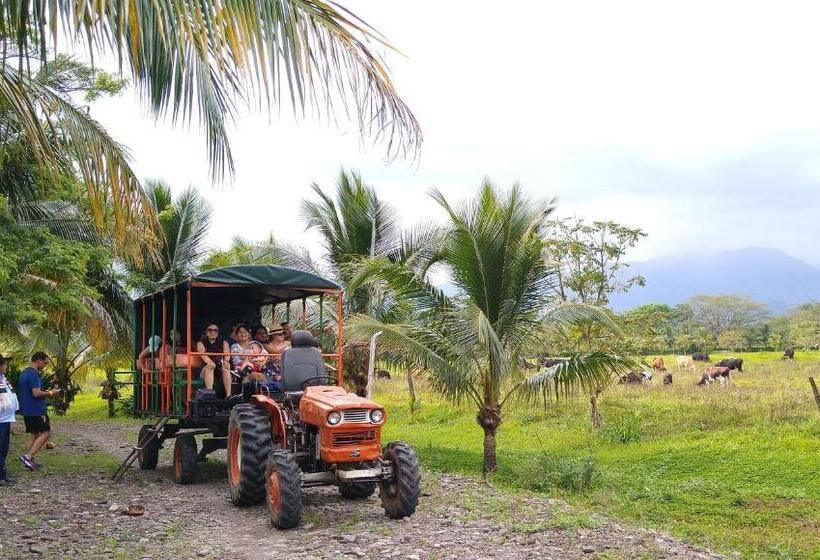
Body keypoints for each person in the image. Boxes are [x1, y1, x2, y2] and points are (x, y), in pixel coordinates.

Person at [17, 352, 60, 470]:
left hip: (27, 409)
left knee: (34, 434)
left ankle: (28, 462)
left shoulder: (24, 373)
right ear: (38, 360)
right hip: (36, 410)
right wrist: (51, 393)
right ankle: (28, 456)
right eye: (45, 362)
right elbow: (36, 393)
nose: (45, 365)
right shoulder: (33, 374)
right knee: (46, 433)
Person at [196, 324, 232, 397]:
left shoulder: (224, 343)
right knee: (210, 366)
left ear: (218, 332)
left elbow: (227, 355)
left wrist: (225, 362)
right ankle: (209, 394)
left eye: (215, 330)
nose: (213, 332)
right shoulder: (200, 343)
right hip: (205, 369)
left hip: (219, 368)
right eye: (210, 330)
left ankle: (229, 396)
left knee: (226, 368)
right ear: (206, 331)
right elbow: (203, 356)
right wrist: (211, 362)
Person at [0, 355, 19, 486]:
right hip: (0, 419)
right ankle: (1, 477)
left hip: (6, 418)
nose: (5, 366)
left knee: (4, 448)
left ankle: (3, 475)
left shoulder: (3, 378)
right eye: (3, 364)